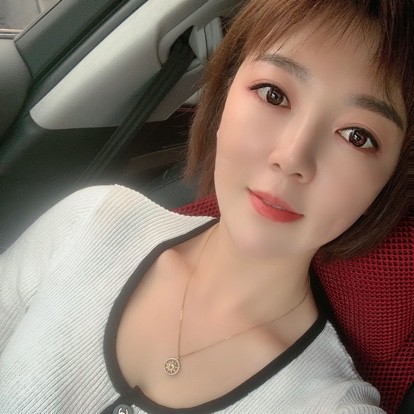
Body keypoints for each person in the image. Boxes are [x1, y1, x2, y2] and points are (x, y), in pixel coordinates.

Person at [0, 0, 412, 412]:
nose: (292, 157)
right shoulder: (89, 220)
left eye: (357, 136)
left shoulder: (332, 405)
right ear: (223, 96)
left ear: (388, 184)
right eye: (273, 94)